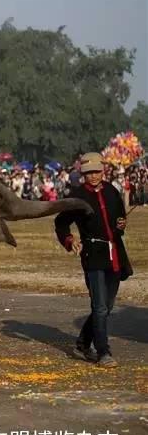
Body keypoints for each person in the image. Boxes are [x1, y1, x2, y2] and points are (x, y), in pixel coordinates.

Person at [54, 152, 132, 368]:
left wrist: (121, 225)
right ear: (83, 173)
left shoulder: (112, 191)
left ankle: (82, 342)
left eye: (97, 171)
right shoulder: (77, 197)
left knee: (106, 306)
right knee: (99, 307)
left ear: (103, 170)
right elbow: (61, 224)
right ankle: (103, 352)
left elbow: (120, 218)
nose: (94, 176)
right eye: (89, 173)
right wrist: (70, 240)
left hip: (115, 254)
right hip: (93, 255)